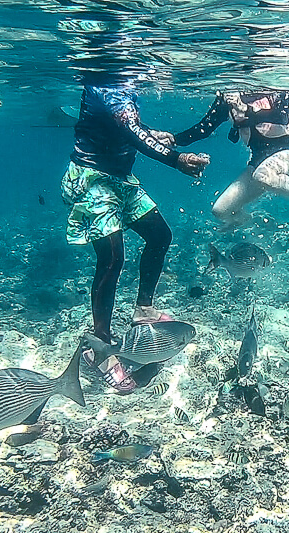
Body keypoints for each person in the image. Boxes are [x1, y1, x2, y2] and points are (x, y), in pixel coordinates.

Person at [62, 73, 210, 391]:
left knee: (160, 235)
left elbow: (128, 129)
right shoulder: (106, 84)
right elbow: (129, 130)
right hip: (92, 180)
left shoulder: (126, 84)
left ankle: (144, 310)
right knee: (112, 259)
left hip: (119, 180)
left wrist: (159, 136)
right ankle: (99, 348)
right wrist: (176, 159)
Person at [172, 90, 289, 232]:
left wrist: (245, 109)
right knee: (221, 211)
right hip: (259, 161)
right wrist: (173, 140)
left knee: (263, 175)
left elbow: (281, 117)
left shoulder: (277, 91)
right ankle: (254, 224)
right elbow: (204, 128)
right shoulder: (228, 97)